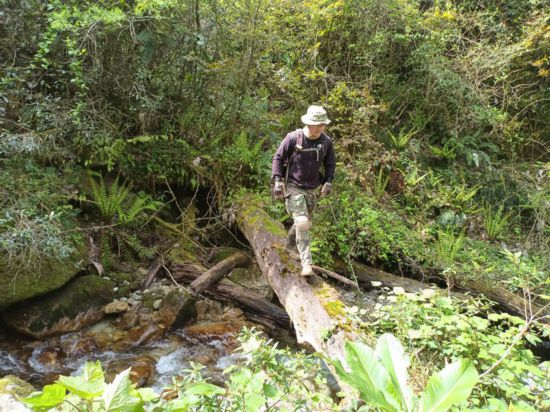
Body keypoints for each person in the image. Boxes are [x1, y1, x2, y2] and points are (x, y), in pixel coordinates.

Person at [271, 105, 336, 277]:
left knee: (304, 223)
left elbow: (330, 163)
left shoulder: (326, 142)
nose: (321, 128)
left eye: (323, 124)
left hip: (313, 188)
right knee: (302, 222)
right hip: (294, 186)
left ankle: (288, 247)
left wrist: (328, 182)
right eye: (318, 124)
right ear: (309, 123)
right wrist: (278, 181)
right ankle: (306, 263)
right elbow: (278, 158)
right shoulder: (294, 138)